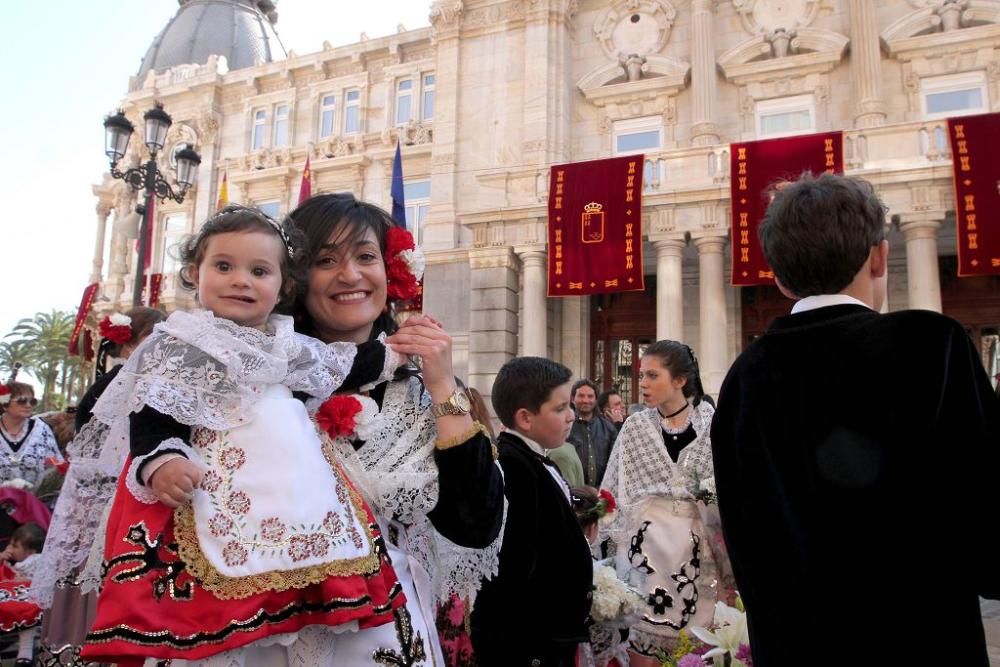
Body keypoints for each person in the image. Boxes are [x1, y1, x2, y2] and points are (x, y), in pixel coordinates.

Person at [80, 206, 404, 666]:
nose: (241, 281)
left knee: (306, 570)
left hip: (294, 491)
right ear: (196, 273)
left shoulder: (286, 344)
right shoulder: (182, 342)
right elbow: (154, 413)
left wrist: (396, 352)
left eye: (259, 271)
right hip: (213, 488)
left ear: (283, 286)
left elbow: (343, 364)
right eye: (224, 266)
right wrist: (163, 459)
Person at [711, 172, 1000, 667]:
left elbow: (746, 539)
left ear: (778, 277)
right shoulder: (934, 346)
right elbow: (986, 510)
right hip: (927, 639)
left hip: (800, 647)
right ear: (880, 255)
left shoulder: (745, 378)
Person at [287, 193, 505, 664]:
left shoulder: (422, 389)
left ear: (391, 271)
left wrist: (443, 382)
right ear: (298, 279)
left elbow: (475, 523)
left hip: (390, 636)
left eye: (366, 257)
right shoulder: (267, 385)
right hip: (278, 633)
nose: (350, 276)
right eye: (327, 260)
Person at [30, 307, 165, 663]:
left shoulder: (138, 381)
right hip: (101, 513)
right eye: (154, 336)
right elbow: (99, 458)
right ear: (130, 343)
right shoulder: (119, 384)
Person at [600, 341, 725, 666]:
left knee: (696, 651)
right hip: (645, 558)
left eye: (652, 375)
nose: (642, 383)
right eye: (641, 375)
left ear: (680, 380)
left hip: (698, 561)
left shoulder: (713, 425)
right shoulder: (634, 428)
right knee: (642, 652)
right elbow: (613, 490)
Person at [471, 356, 593, 666]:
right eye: (560, 408)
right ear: (525, 418)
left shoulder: (536, 459)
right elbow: (517, 561)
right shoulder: (515, 468)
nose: (571, 416)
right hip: (532, 641)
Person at [0, 382, 62, 489]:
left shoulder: (42, 430)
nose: (28, 405)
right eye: (22, 401)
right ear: (5, 404)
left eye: (32, 401)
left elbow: (56, 466)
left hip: (34, 503)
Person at [0, 523, 46, 666]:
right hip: (14, 599)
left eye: (14, 546)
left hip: (28, 601)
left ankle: (25, 650)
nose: (10, 549)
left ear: (29, 552)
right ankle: (24, 652)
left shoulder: (36, 561)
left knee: (26, 611)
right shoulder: (15, 564)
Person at [567, 379, 619, 486]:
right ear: (573, 399)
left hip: (601, 495)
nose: (586, 400)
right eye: (581, 396)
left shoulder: (608, 428)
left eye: (590, 396)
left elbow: (615, 464)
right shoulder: (565, 426)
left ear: (595, 399)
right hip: (572, 493)